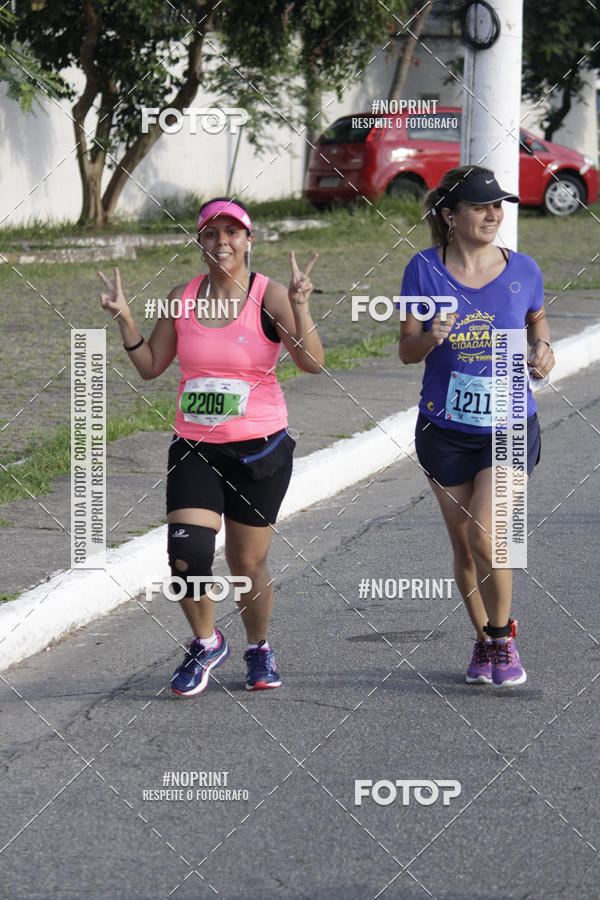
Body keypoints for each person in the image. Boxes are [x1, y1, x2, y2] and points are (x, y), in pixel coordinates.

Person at [99, 197, 323, 695]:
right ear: (199, 241)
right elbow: (152, 364)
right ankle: (206, 641)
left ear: (249, 240)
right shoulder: (183, 295)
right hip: (195, 447)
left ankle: (258, 647)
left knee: (246, 564)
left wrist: (302, 307)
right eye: (210, 233)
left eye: (232, 232)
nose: (222, 242)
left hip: (258, 450)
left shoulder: (271, 296)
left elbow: (312, 362)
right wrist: (124, 317)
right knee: (186, 555)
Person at [399, 166, 555, 687]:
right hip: (444, 427)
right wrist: (431, 337)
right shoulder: (422, 270)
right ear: (450, 215)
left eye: (499, 205)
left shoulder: (523, 267)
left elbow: (536, 316)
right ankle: (486, 642)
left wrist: (544, 348)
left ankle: (504, 636)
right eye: (482, 206)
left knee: (488, 535)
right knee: (464, 546)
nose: (494, 214)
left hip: (510, 416)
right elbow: (406, 350)